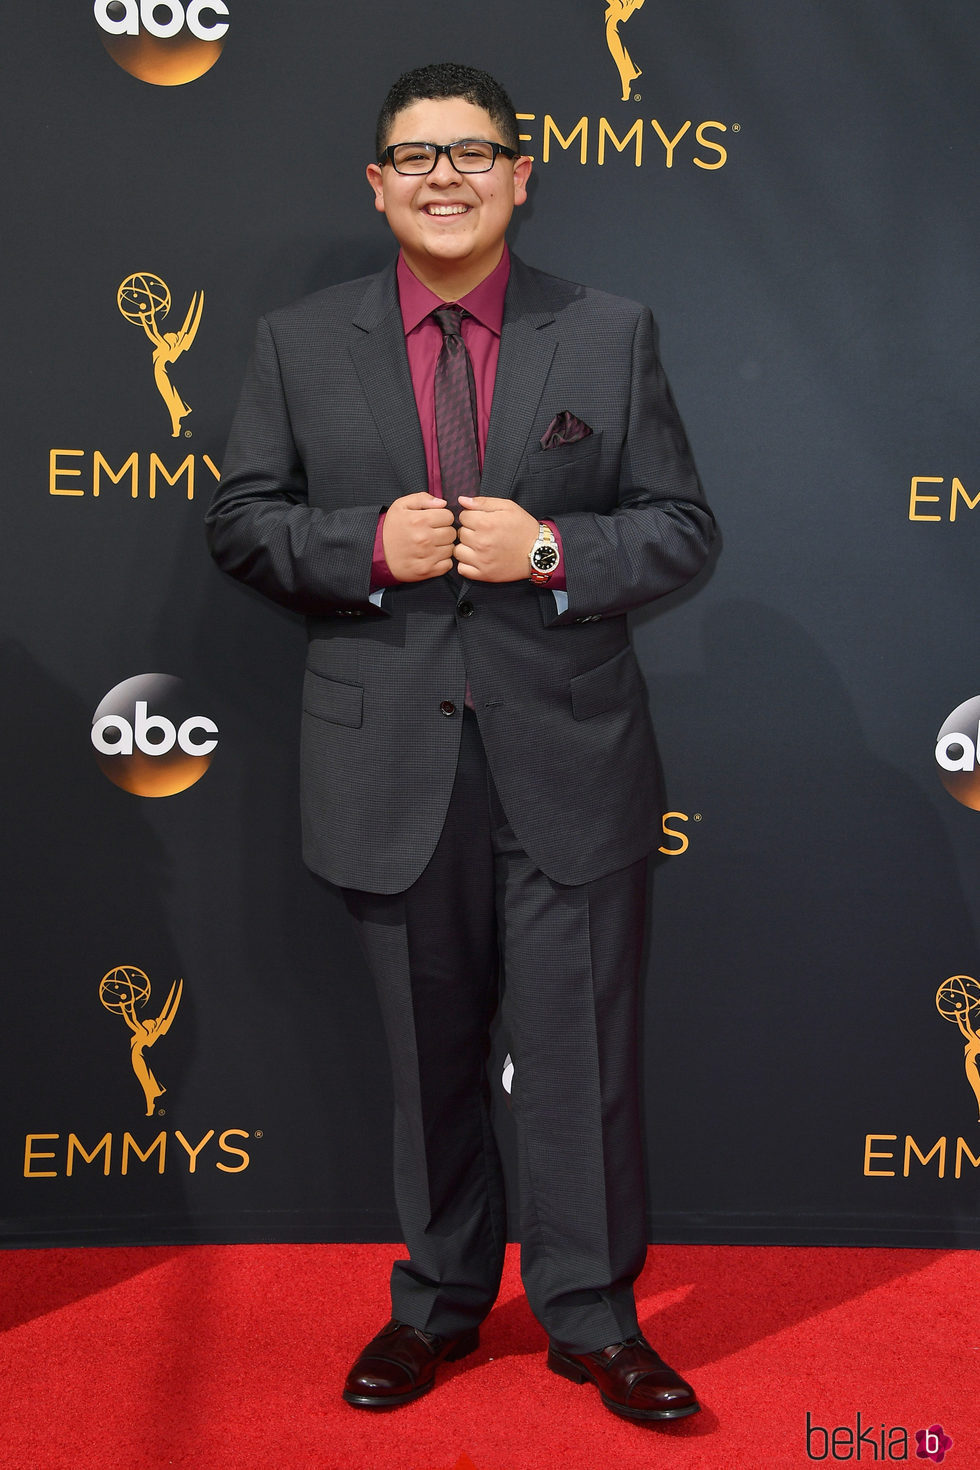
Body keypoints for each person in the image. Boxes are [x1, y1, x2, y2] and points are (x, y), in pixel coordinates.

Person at [205, 61, 715, 1423]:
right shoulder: (298, 343)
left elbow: (680, 527)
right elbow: (241, 517)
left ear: (520, 173)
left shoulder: (608, 334)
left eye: (473, 151)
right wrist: (360, 546)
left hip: (570, 755)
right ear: (378, 184)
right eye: (416, 156)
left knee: (578, 1058)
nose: (446, 176)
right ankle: (434, 1304)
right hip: (386, 764)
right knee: (425, 1056)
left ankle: (594, 1317)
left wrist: (552, 545)